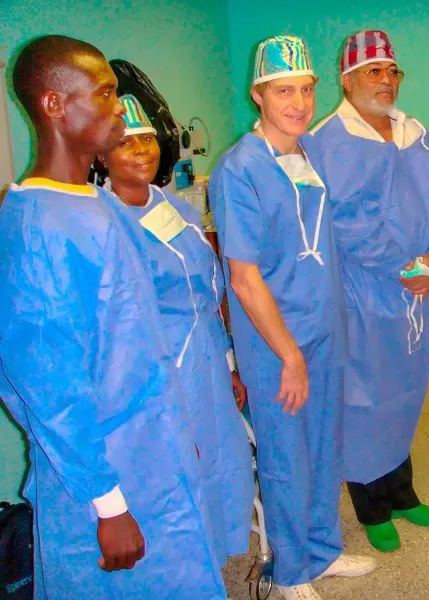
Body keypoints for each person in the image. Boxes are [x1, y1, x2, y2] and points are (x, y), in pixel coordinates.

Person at [0, 35, 227, 598]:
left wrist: (176, 433)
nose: (119, 109)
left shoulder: (98, 205)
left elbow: (140, 341)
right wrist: (108, 504)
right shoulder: (37, 227)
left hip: (153, 455)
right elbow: (49, 389)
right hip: (104, 481)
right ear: (54, 104)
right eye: (104, 94)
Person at [208, 35, 375, 600]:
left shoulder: (307, 156)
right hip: (277, 341)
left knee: (325, 448)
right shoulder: (240, 169)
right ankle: (291, 571)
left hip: (322, 327)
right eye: (284, 91)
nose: (299, 103)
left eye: (306, 89)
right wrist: (289, 354)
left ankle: (322, 550)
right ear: (258, 95)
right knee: (286, 457)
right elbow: (244, 278)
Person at [311, 30, 429, 552]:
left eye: (393, 70)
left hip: (415, 294)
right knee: (363, 400)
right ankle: (371, 505)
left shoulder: (417, 137)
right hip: (363, 297)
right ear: (347, 80)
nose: (387, 80)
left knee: (404, 396)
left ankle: (402, 493)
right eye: (374, 71)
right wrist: (405, 267)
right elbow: (343, 226)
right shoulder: (327, 141)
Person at [95, 94, 254, 567]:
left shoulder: (177, 210)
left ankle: (217, 558)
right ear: (102, 155)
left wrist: (228, 362)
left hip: (207, 360)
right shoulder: (103, 222)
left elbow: (207, 290)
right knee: (178, 468)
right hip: (158, 371)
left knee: (223, 458)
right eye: (126, 142)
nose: (142, 149)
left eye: (147, 139)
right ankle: (186, 570)